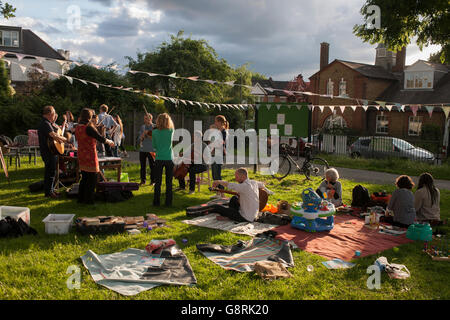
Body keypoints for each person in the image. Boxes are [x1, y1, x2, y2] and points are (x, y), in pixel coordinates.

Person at [75, 108, 115, 204]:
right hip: (90, 154)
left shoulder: (78, 127)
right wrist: (109, 141)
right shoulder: (88, 127)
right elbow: (100, 138)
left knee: (84, 177)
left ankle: (81, 199)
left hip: (81, 154)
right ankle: (89, 200)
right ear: (89, 117)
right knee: (92, 179)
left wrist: (95, 128)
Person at [37, 106, 68, 199]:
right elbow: (53, 135)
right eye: (54, 113)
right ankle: (48, 192)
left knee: (51, 172)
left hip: (51, 150)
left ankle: (50, 190)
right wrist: (64, 139)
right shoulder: (45, 123)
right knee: (49, 173)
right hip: (47, 151)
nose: (54, 115)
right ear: (50, 114)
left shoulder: (48, 123)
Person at [152, 113, 175, 206]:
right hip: (169, 158)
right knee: (169, 182)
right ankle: (168, 203)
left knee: (158, 182)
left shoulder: (154, 132)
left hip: (159, 158)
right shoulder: (171, 131)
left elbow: (154, 146)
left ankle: (156, 202)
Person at [176, 130, 209, 194]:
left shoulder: (204, 146)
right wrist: (182, 153)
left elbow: (207, 159)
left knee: (192, 170)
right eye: (193, 137)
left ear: (199, 137)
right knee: (181, 168)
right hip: (194, 162)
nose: (193, 138)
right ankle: (182, 186)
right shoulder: (193, 145)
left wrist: (199, 154)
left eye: (195, 137)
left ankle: (192, 190)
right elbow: (187, 153)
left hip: (203, 164)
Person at [210, 115, 228, 199]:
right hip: (214, 154)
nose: (214, 123)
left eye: (216, 121)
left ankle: (222, 194)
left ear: (220, 122)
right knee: (214, 174)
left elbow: (221, 142)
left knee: (218, 174)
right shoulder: (217, 131)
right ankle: (217, 193)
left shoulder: (224, 132)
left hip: (219, 155)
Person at [139, 113, 156, 186]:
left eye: (146, 118)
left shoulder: (154, 126)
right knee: (142, 166)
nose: (145, 120)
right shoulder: (143, 127)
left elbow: (155, 138)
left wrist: (149, 133)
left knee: (152, 165)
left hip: (151, 149)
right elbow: (140, 138)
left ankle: (153, 181)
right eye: (144, 118)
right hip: (143, 149)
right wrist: (142, 135)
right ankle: (143, 180)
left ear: (150, 119)